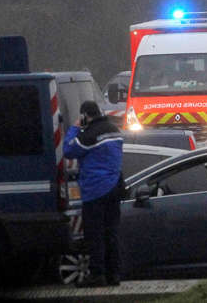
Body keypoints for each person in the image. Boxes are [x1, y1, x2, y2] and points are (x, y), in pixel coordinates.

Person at [63, 100, 123, 287]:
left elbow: (68, 150)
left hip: (95, 190)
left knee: (95, 235)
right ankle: (114, 275)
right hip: (114, 187)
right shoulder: (114, 130)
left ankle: (97, 275)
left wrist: (74, 129)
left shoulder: (89, 136)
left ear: (84, 116)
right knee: (111, 233)